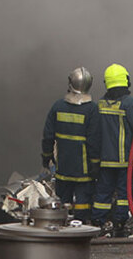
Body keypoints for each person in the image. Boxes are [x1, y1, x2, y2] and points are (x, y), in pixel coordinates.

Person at [91, 63, 133, 237]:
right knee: (125, 194)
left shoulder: (101, 104)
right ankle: (119, 224)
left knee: (103, 193)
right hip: (128, 161)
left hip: (106, 160)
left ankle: (98, 222)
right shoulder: (130, 104)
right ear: (125, 80)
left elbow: (95, 133)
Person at [41, 67, 101, 222]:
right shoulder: (92, 109)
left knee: (63, 203)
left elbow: (48, 136)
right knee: (82, 204)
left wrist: (46, 157)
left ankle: (61, 229)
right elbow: (94, 140)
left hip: (63, 167)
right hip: (84, 169)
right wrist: (95, 164)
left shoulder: (58, 106)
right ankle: (79, 230)